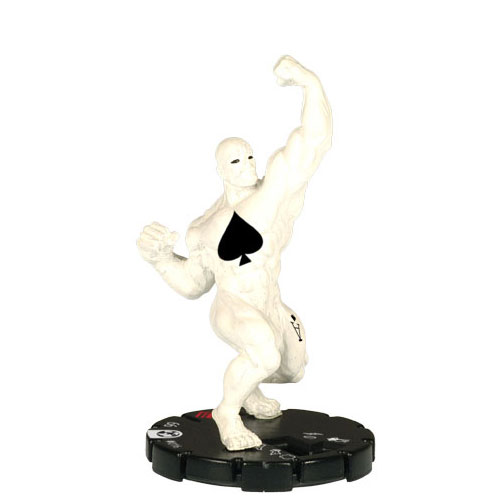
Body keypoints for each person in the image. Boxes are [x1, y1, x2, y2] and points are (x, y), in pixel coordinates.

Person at [137, 55, 332, 450]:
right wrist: (160, 259)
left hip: (271, 303)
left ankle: (250, 390)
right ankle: (227, 413)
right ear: (221, 170)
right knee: (263, 352)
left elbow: (312, 142)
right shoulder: (205, 227)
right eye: (235, 161)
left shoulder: (273, 196)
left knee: (292, 369)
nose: (246, 165)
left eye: (249, 156)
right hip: (232, 305)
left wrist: (309, 83)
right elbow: (194, 285)